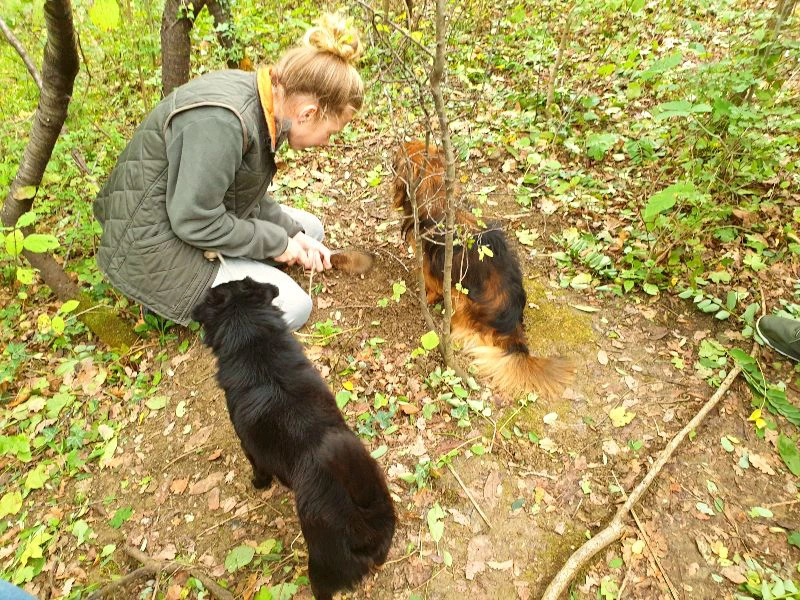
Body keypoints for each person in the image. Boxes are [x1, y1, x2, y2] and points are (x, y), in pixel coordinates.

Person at [93, 14, 363, 331]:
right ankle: (160, 307)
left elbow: (241, 191)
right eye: (330, 132)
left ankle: (241, 266)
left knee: (309, 230)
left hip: (179, 216)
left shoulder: (266, 102)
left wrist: (291, 235)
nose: (327, 142)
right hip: (151, 247)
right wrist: (278, 245)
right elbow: (195, 220)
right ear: (308, 113)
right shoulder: (224, 122)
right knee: (293, 307)